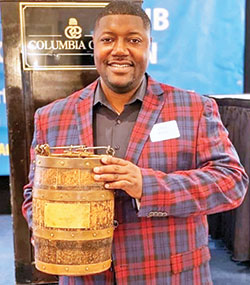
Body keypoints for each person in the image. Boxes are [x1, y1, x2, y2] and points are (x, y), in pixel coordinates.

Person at [22, 1, 249, 284]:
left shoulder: (193, 108)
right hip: (86, 277)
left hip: (171, 276)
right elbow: (35, 193)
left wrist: (146, 186)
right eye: (108, 39)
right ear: (94, 45)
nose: (119, 50)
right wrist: (46, 229)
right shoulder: (52, 117)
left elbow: (231, 182)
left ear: (148, 46)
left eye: (133, 39)